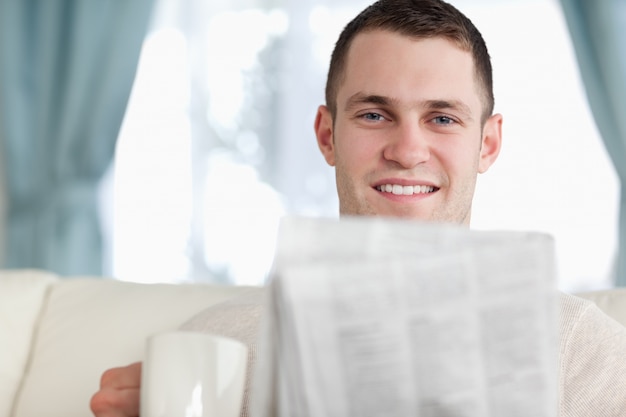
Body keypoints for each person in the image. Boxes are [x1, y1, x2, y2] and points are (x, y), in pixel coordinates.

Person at [90, 0, 626, 416]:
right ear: (327, 135)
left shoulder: (583, 349)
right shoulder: (217, 342)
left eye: (442, 118)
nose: (408, 150)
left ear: (487, 144)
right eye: (374, 115)